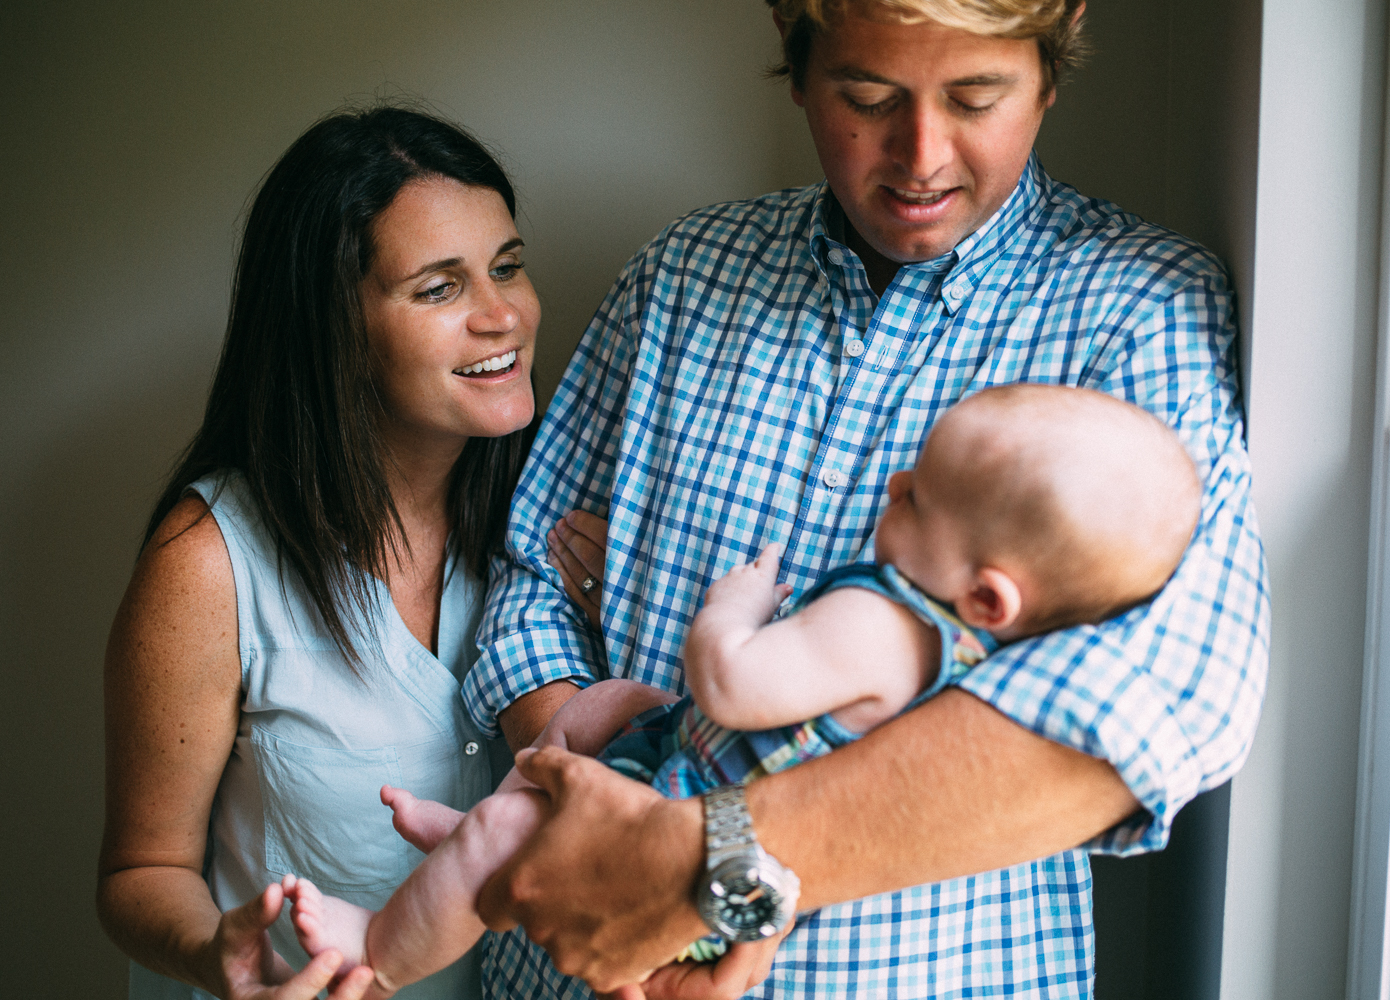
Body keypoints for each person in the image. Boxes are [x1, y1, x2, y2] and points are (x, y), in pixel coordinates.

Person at [470, 1, 1271, 998]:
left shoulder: (1141, 311)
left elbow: (1159, 699)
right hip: (556, 967)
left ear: (1051, 73)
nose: (922, 155)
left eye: (976, 98)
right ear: (798, 70)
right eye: (868, 97)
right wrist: (587, 813)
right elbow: (530, 575)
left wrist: (696, 867)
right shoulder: (680, 276)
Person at [283, 384, 1204, 999]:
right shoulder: (959, 642)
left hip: (688, 821)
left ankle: (378, 945)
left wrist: (736, 607)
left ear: (988, 594)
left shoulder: (884, 624)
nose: (895, 483)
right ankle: (491, 859)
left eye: (922, 498)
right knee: (605, 708)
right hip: (692, 776)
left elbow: (728, 684)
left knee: (504, 815)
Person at [96, 106, 543, 1000]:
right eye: (439, 288)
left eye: (507, 267)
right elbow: (139, 871)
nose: (502, 316)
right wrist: (218, 954)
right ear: (335, 326)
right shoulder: (210, 560)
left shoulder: (553, 519)